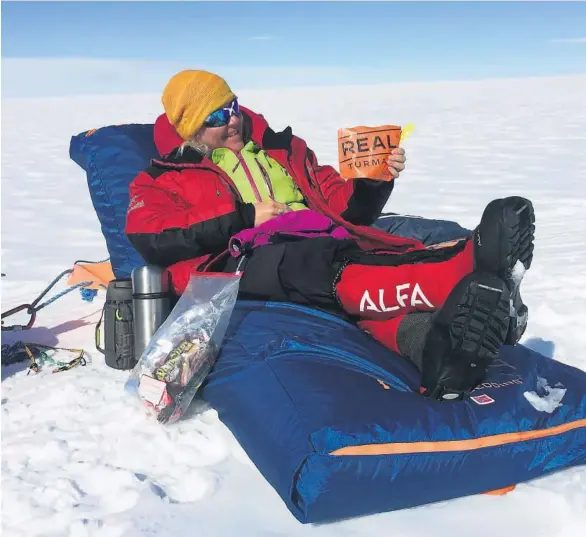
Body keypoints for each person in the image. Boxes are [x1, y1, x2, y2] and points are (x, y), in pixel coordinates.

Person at [126, 70, 535, 400]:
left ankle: (436, 350)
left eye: (231, 107)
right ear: (190, 129)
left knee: (386, 247)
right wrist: (246, 217)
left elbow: (342, 205)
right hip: (243, 262)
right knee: (312, 264)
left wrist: (372, 181)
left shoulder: (281, 148)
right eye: (215, 118)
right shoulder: (161, 179)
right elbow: (151, 235)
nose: (232, 120)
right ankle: (458, 275)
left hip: (328, 238)